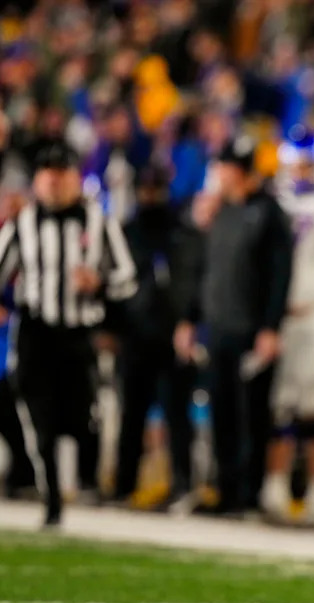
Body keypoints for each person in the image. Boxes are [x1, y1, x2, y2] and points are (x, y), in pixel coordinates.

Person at [0, 141, 137, 527]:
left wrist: (99, 284)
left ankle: (84, 481)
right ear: (37, 180)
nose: (53, 182)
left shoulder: (100, 224)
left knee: (83, 417)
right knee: (37, 416)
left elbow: (127, 279)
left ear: (75, 178)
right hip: (35, 331)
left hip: (80, 334)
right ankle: (51, 497)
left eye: (61, 173)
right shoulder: (22, 224)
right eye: (47, 174)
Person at [176, 138, 293, 516]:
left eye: (223, 168)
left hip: (250, 329)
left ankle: (247, 496)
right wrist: (190, 318)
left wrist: (270, 327)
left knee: (251, 415)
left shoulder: (270, 213)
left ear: (239, 171)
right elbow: (206, 269)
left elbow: (279, 275)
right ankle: (226, 492)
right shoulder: (223, 211)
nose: (217, 175)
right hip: (218, 326)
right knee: (222, 412)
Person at [260, 128, 314, 525]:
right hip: (281, 316)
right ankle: (274, 487)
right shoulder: (271, 202)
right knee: (280, 408)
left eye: (309, 164)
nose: (302, 172)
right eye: (298, 164)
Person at [112, 166, 201, 508]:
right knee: (130, 415)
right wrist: (113, 328)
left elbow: (192, 282)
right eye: (146, 189)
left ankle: (182, 485)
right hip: (135, 335)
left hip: (171, 335)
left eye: (156, 188)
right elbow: (115, 287)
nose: (150, 195)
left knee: (176, 416)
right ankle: (123, 485)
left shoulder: (181, 232)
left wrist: (190, 321)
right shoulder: (127, 231)